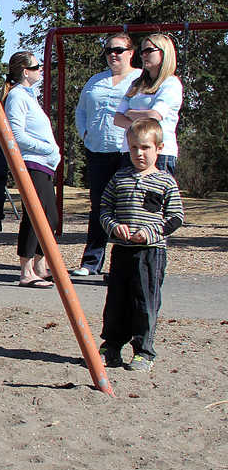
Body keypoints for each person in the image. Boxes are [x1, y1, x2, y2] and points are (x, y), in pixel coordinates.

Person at [98, 118, 184, 371]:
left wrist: (150, 232)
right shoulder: (119, 178)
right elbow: (104, 209)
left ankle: (144, 351)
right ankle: (111, 346)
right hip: (121, 251)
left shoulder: (165, 181)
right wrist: (113, 226)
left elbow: (176, 217)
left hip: (150, 253)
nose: (139, 153)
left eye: (145, 147)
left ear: (159, 148)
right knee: (116, 301)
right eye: (134, 147)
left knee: (144, 301)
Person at [70, 33, 141, 276]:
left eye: (119, 50)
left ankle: (125, 263)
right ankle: (91, 261)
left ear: (131, 53)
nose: (113, 54)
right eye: (109, 50)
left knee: (128, 206)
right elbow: (80, 110)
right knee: (99, 206)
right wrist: (85, 133)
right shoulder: (95, 80)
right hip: (97, 151)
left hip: (126, 152)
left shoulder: (140, 79)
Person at [3, 51, 61, 288]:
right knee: (36, 215)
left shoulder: (29, 96)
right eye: (37, 67)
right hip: (31, 162)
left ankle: (40, 265)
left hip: (44, 164)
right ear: (25, 72)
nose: (41, 70)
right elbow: (15, 135)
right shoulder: (17, 96)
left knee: (50, 216)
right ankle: (26, 270)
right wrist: (47, 147)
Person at [114, 32, 182, 176]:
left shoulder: (171, 83)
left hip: (159, 154)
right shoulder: (136, 84)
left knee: (154, 198)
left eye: (149, 50)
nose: (143, 55)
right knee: (128, 197)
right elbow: (117, 119)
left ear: (164, 53)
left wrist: (130, 113)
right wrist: (142, 127)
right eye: (142, 51)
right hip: (129, 151)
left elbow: (155, 115)